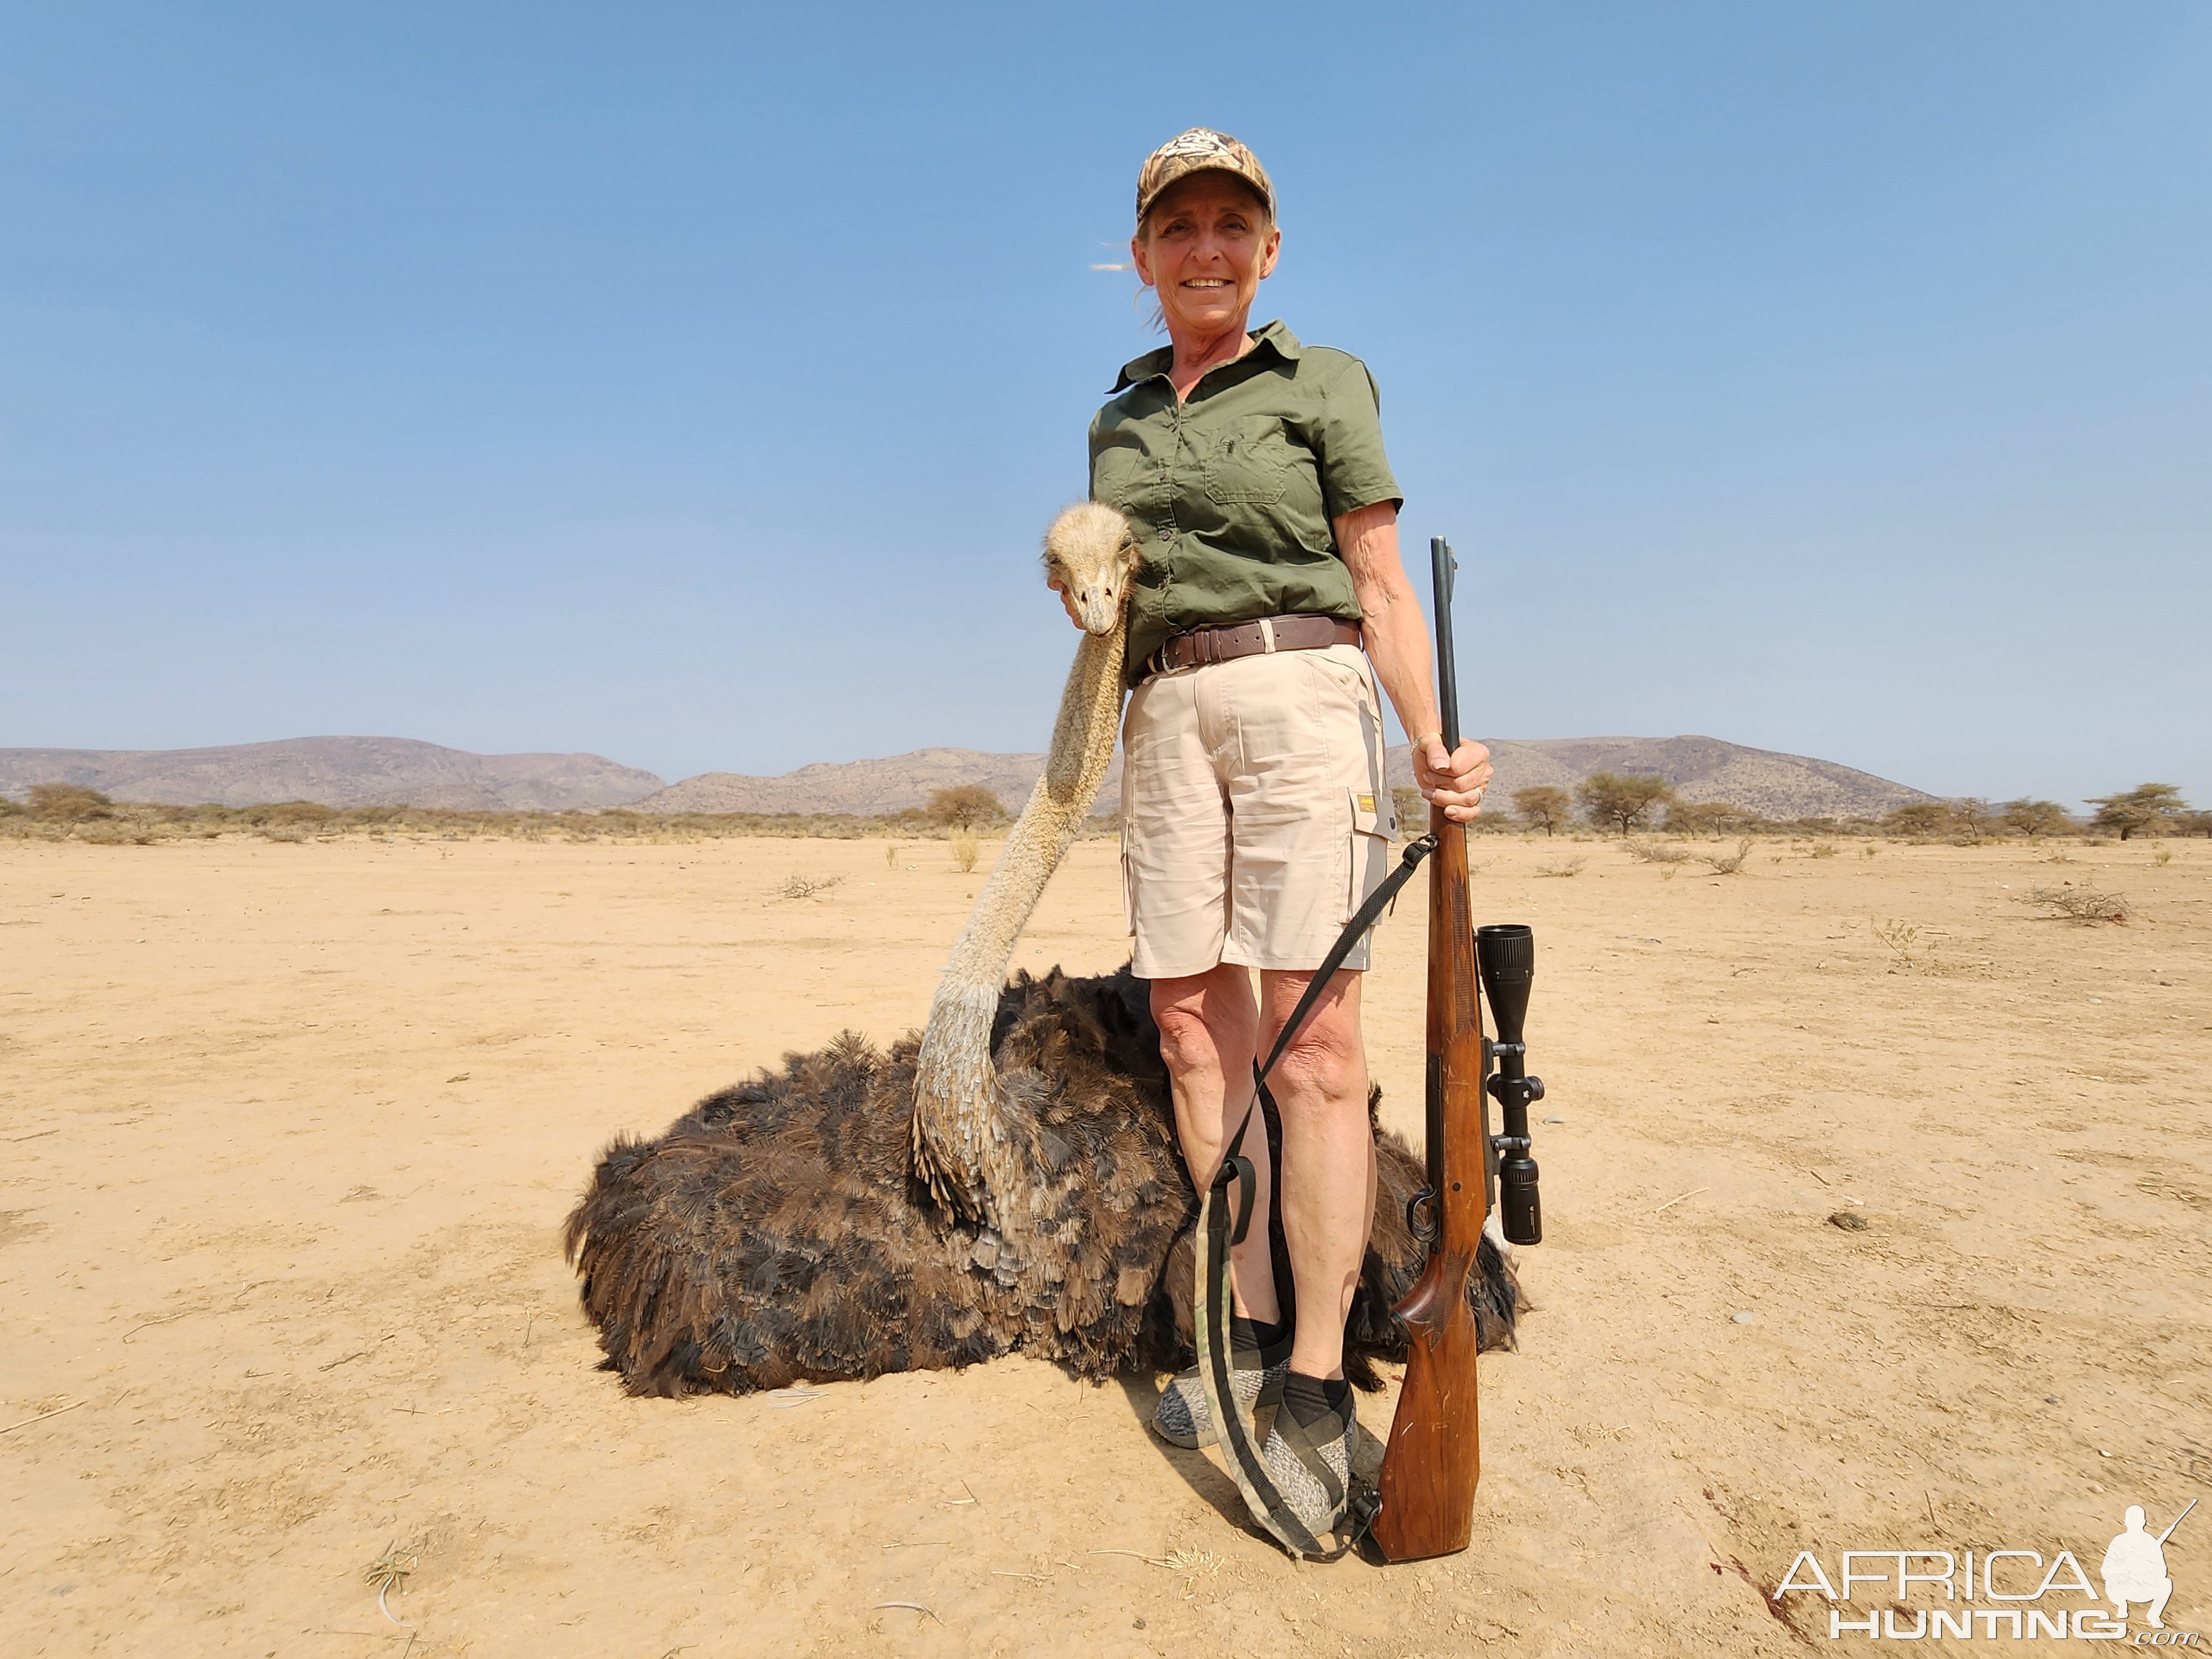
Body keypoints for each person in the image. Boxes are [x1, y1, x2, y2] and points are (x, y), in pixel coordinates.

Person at [1051, 128, 1491, 1536]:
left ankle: (1311, 1376)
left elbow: (1375, 575)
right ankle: (1239, 1332)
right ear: (1141, 259)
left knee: (1312, 1043)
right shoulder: (1116, 421)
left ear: (1267, 248)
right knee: (1190, 1026)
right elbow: (1116, 586)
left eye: (1230, 225)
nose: (1205, 248)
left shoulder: (1322, 384)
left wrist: (1431, 745)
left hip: (1302, 695)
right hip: (1165, 714)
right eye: (1176, 229)